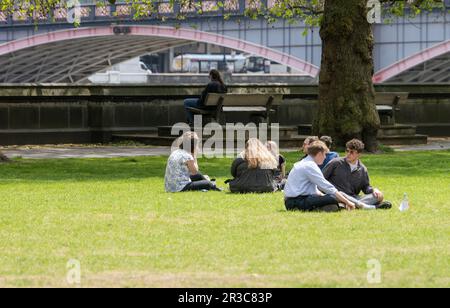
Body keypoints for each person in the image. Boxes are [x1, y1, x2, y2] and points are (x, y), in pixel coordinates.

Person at [284, 141, 356, 212]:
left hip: (292, 201)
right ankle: (352, 205)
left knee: (331, 198)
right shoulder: (310, 165)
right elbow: (327, 187)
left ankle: (328, 207)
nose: (325, 157)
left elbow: (315, 190)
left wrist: (324, 197)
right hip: (296, 202)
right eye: (324, 154)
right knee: (333, 197)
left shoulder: (304, 162)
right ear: (319, 154)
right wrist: (347, 202)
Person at [322, 139, 392, 210]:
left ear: (359, 154)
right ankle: (364, 206)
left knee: (378, 196)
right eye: (347, 151)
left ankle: (348, 205)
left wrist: (374, 190)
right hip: (336, 195)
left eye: (351, 152)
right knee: (337, 195)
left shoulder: (362, 169)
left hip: (354, 197)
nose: (348, 154)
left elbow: (365, 187)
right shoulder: (335, 163)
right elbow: (321, 179)